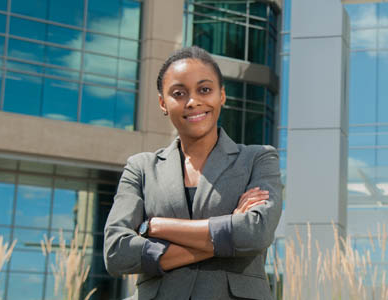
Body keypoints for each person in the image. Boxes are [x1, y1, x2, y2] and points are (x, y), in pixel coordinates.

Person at [103, 46, 282, 300]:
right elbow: (116, 253)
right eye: (179, 93)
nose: (193, 101)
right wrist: (228, 231)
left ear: (222, 95)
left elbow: (257, 232)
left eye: (204, 90)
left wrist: (156, 226)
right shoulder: (140, 168)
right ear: (163, 103)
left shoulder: (259, 158)